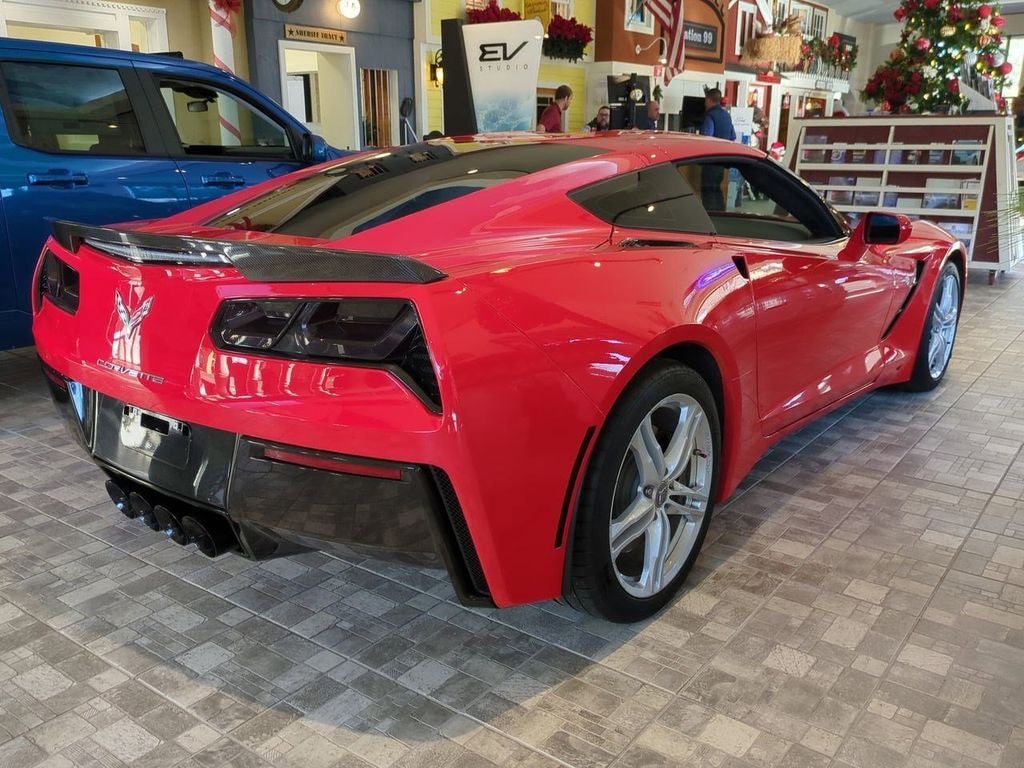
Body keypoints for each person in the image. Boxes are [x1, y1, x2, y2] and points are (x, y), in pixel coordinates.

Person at [700, 88, 736, 211]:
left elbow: (706, 137)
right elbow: (733, 136)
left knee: (708, 191)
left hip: (711, 160)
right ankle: (721, 215)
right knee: (717, 189)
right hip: (722, 160)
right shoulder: (726, 115)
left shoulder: (710, 115)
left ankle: (711, 217)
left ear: (708, 100)